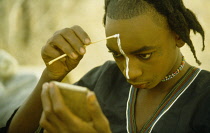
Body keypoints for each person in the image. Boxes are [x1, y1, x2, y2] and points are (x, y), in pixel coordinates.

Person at [2, 0, 210, 132]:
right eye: (118, 55)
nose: (130, 73)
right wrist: (51, 74)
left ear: (178, 36)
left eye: (144, 55)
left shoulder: (204, 98)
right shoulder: (102, 80)